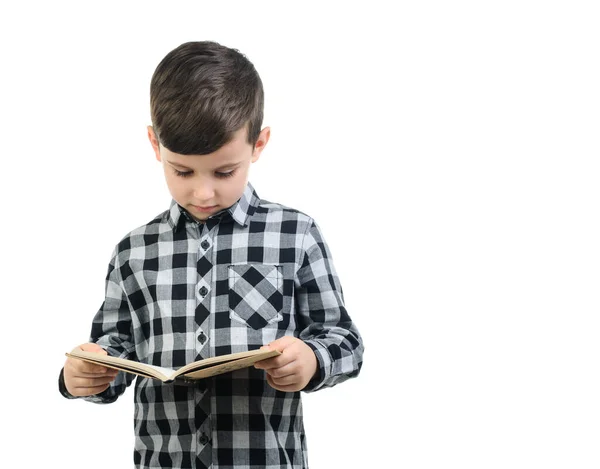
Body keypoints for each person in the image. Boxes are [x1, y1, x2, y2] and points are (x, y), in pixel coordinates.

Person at [59, 40, 364, 469]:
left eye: (225, 172)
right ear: (154, 144)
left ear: (259, 144)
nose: (203, 192)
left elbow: (345, 341)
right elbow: (116, 348)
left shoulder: (295, 234)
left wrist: (313, 360)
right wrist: (86, 374)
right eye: (182, 171)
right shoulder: (133, 252)